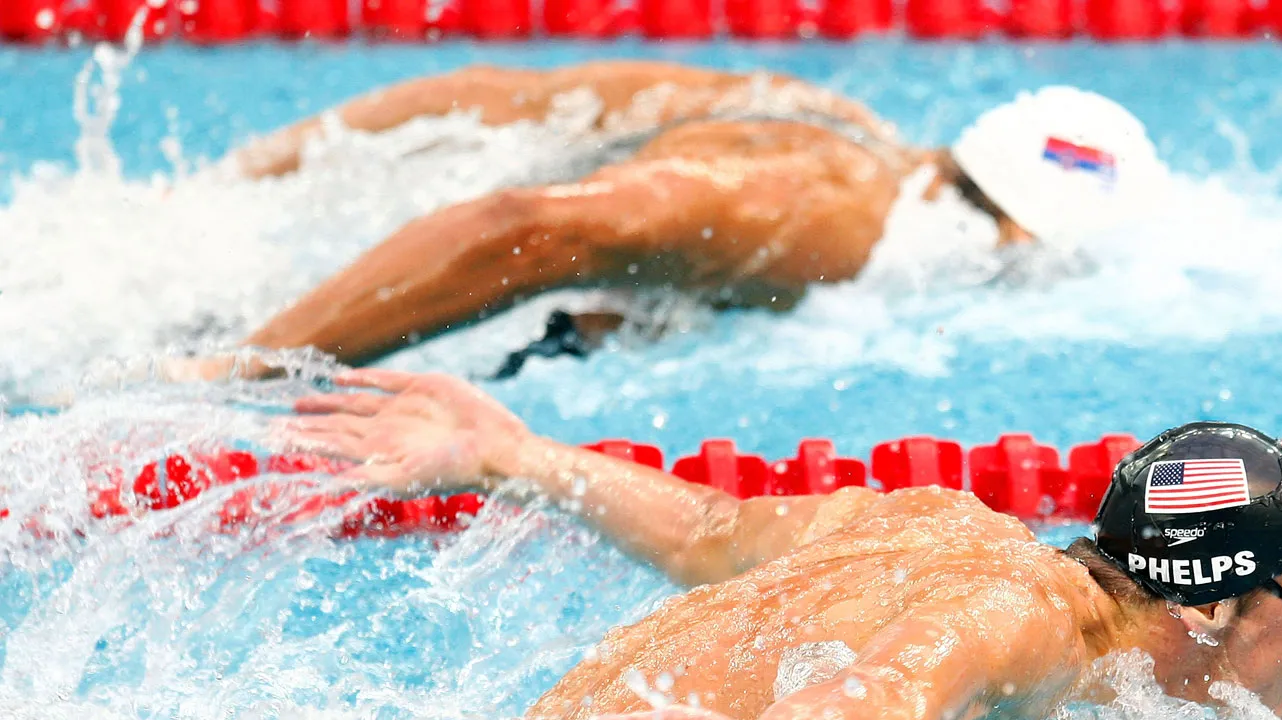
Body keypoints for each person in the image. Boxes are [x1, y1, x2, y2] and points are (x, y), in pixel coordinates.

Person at [283, 370, 1282, 720]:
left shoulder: (935, 520)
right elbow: (899, 694)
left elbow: (712, 530)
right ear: (1207, 602)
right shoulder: (1031, 621)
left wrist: (514, 454)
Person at [182, 61, 1170, 380]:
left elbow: (491, 98)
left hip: (246, 249)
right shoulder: (837, 220)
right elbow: (530, 227)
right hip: (302, 307)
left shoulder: (830, 117)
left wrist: (227, 185)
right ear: (1018, 237)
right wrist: (244, 371)